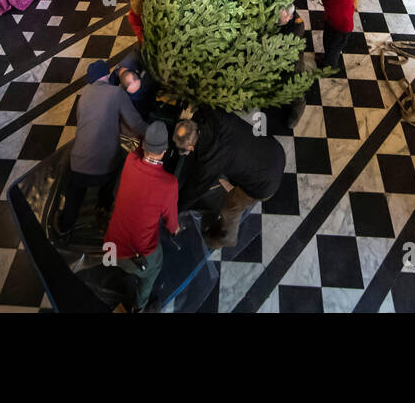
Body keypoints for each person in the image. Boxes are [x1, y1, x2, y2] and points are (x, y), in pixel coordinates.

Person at [173, 109, 285, 250]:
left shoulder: (210, 161)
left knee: (230, 208)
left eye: (184, 149)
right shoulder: (212, 115)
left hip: (264, 183)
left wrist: (175, 209)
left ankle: (225, 239)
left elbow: (194, 190)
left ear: (190, 146)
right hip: (273, 150)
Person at [60, 67, 148, 234]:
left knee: (75, 193)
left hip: (77, 163)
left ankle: (65, 227)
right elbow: (135, 123)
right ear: (107, 75)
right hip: (104, 169)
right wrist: (154, 134)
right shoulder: (116, 93)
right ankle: (103, 209)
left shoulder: (84, 94)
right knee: (116, 168)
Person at [103, 122, 179, 313]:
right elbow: (171, 222)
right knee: (154, 268)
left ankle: (117, 270)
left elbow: (139, 147)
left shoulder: (130, 160)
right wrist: (175, 229)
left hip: (110, 245)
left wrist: (145, 137)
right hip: (135, 255)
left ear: (144, 146)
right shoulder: (169, 183)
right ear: (165, 151)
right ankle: (139, 307)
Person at [313, 0, 358, 73]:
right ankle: (326, 60)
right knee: (327, 43)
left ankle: (330, 68)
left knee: (333, 50)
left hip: (342, 29)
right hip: (330, 21)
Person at [277, 3, 308, 127]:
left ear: (290, 17)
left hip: (293, 61)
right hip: (280, 59)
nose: (277, 21)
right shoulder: (282, 16)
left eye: (281, 19)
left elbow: (280, 46)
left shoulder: (297, 28)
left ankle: (296, 115)